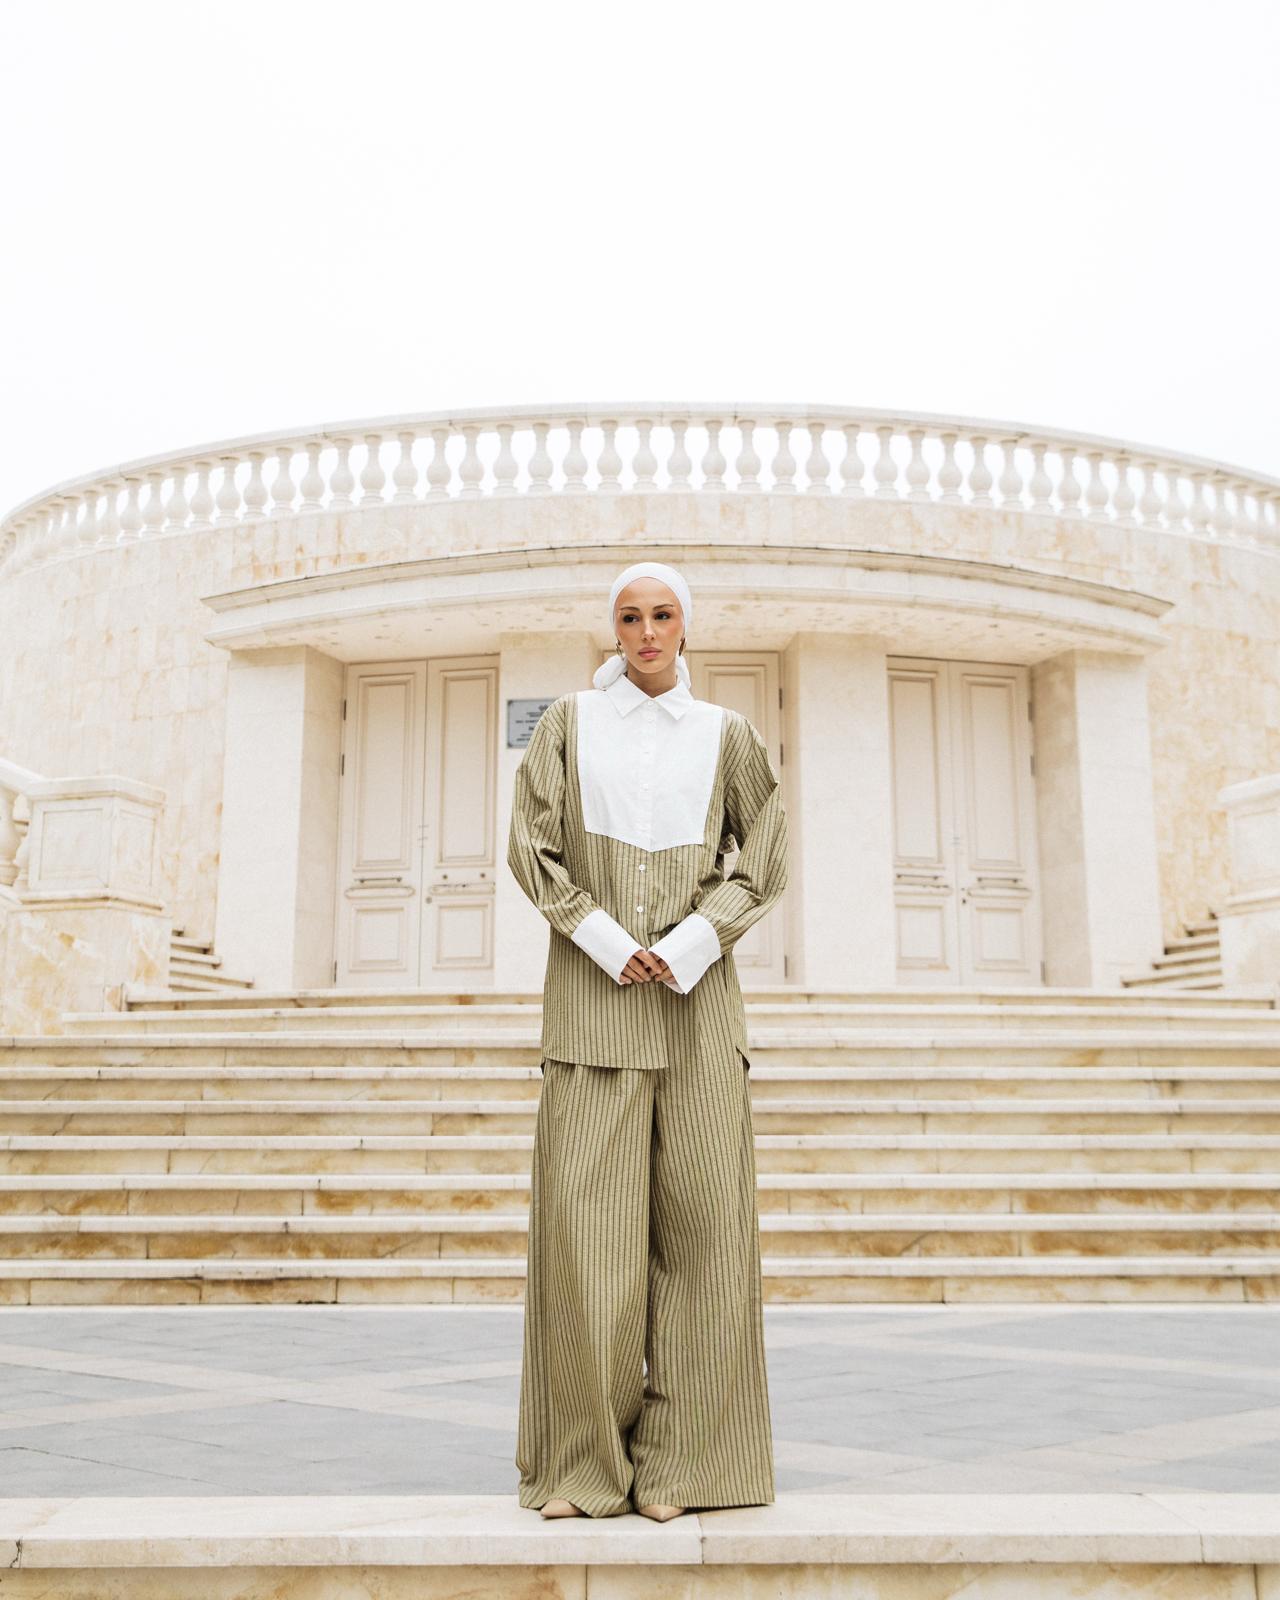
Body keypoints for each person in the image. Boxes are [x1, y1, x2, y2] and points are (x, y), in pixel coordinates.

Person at [506, 558, 789, 1521]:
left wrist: (693, 942)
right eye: (630, 617)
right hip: (592, 1009)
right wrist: (605, 939)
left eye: (663, 615)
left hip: (699, 1013)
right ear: (614, 629)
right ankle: (582, 1469)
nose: (647, 633)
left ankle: (687, 1471)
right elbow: (531, 848)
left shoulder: (727, 734)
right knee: (588, 1248)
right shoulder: (566, 725)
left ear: (685, 626)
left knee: (707, 1242)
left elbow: (766, 856)